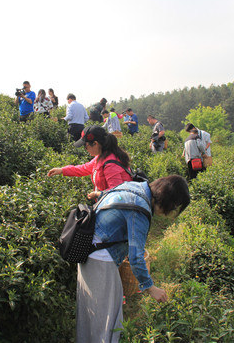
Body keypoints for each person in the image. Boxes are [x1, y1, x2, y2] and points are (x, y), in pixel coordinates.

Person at [75, 175, 190, 343]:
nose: (167, 213)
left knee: (91, 311)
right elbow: (136, 257)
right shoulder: (140, 209)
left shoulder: (134, 187)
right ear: (168, 202)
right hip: (100, 259)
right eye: (172, 208)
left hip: (89, 250)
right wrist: (151, 288)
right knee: (106, 316)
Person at [47, 125, 133, 198]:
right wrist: (62, 170)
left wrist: (97, 194)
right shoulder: (101, 157)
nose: (85, 149)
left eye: (86, 146)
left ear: (95, 143)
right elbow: (84, 168)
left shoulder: (110, 163)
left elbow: (117, 193)